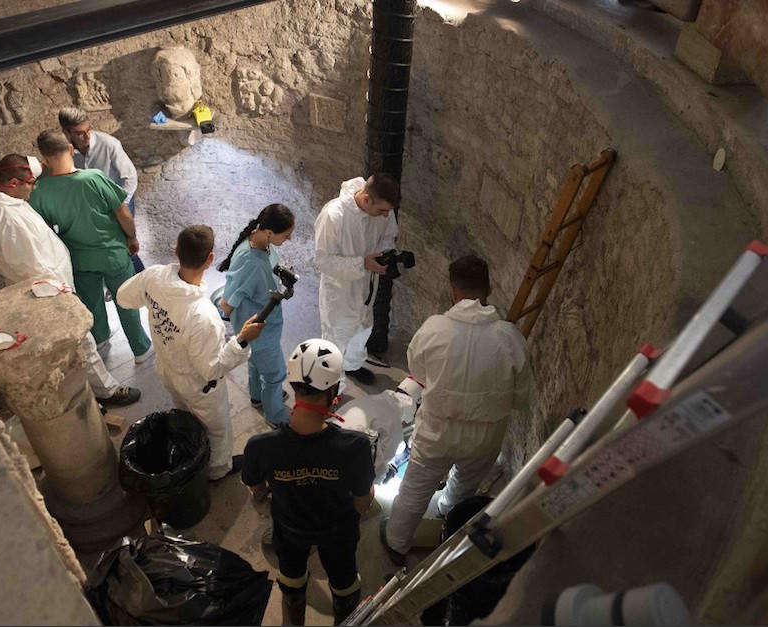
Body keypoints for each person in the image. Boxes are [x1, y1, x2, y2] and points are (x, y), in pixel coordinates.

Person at [381, 255, 536, 566]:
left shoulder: (434, 330)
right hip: (485, 437)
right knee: (464, 484)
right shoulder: (509, 338)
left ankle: (397, 544)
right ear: (489, 289)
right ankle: (448, 511)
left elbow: (419, 373)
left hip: (437, 432)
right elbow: (521, 398)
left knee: (414, 490)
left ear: (453, 291)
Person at [0, 154, 140, 406]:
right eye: (30, 184)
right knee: (79, 341)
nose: (33, 189)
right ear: (13, 182)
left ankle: (87, 392)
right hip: (47, 291)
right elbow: (30, 266)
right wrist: (61, 291)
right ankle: (106, 392)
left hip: (44, 284)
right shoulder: (8, 219)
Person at [242, 339, 375, 625]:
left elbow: (257, 490)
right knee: (345, 584)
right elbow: (363, 503)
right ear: (333, 391)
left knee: (291, 581)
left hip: (289, 531)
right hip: (339, 533)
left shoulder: (259, 447)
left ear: (291, 385)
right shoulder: (355, 446)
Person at [116, 225, 264, 480]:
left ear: (176, 251)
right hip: (199, 387)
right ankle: (217, 470)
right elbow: (211, 369)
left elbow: (123, 297)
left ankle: (191, 448)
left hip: (167, 369)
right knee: (217, 429)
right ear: (210, 259)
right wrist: (241, 341)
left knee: (185, 414)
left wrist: (157, 305)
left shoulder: (153, 277)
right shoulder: (203, 316)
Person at [29, 129, 153, 363]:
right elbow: (122, 211)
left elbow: (45, 229)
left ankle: (100, 338)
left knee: (91, 300)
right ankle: (140, 348)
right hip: (111, 253)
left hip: (78, 257)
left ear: (45, 159)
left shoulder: (40, 192)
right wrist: (132, 237)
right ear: (70, 149)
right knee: (125, 298)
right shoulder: (93, 178)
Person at [314, 174, 399, 387]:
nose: (386, 215)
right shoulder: (333, 216)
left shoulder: (383, 211)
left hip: (366, 286)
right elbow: (324, 261)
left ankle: (352, 365)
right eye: (382, 211)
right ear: (366, 199)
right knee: (336, 337)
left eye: (388, 211)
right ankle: (330, 386)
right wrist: (362, 264)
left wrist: (384, 255)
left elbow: (388, 236)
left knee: (363, 328)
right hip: (339, 292)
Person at [218, 204, 296, 427]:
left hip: (259, 324)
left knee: (255, 361)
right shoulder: (251, 262)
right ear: (270, 232)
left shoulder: (256, 238)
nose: (289, 239)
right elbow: (226, 303)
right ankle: (276, 415)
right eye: (287, 235)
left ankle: (257, 396)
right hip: (260, 327)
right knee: (274, 373)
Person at [58, 106, 144, 273]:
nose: (87, 136)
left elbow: (130, 177)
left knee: (125, 242)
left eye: (88, 129)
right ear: (67, 133)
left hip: (120, 200)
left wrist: (120, 206)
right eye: (80, 133)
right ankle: (118, 278)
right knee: (107, 245)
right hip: (94, 206)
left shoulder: (109, 144)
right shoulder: (65, 152)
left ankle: (140, 278)